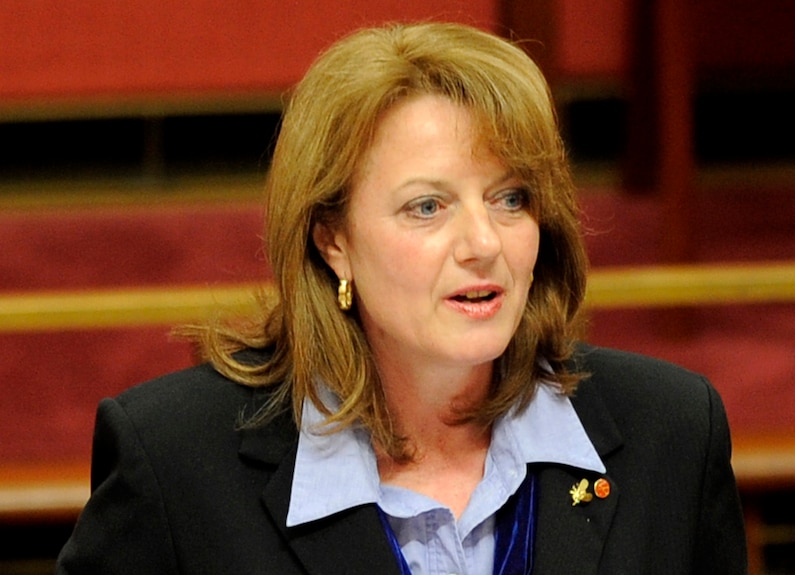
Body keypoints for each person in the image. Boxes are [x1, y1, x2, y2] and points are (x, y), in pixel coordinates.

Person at [56, 21, 747, 575]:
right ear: (333, 242)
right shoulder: (176, 464)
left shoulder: (673, 434)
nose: (483, 242)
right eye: (427, 206)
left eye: (511, 198)